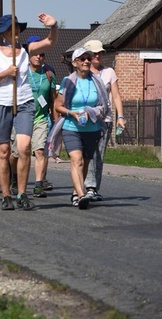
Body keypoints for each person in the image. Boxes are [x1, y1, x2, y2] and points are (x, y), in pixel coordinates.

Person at [0, 13, 58, 211]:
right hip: (1, 103)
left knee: (24, 147)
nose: (14, 32)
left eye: (16, 28)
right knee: (4, 150)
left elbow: (50, 42)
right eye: (10, 29)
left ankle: (22, 193)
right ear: (4, 33)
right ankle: (6, 195)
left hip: (24, 102)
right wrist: (6, 73)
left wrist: (53, 26)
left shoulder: (26, 50)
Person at [50, 48, 109, 209]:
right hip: (71, 127)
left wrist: (93, 112)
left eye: (88, 58)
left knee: (85, 161)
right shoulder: (68, 81)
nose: (86, 61)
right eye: (82, 59)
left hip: (92, 129)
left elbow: (104, 106)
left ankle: (76, 192)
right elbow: (58, 106)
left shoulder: (97, 81)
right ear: (75, 63)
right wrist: (72, 113)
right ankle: (81, 194)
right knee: (76, 160)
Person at [10, 35, 57, 198]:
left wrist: (54, 119)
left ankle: (38, 184)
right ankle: (14, 178)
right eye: (35, 53)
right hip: (22, 117)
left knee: (39, 151)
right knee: (16, 153)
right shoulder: (21, 71)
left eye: (42, 54)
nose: (39, 56)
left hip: (41, 118)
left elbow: (53, 99)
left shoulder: (49, 73)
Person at [83, 39, 126, 200]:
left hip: (104, 120)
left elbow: (115, 96)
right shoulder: (82, 72)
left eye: (100, 53)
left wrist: (120, 117)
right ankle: (82, 185)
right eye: (94, 53)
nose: (97, 56)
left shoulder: (109, 72)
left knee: (98, 154)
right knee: (86, 153)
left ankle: (92, 187)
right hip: (86, 119)